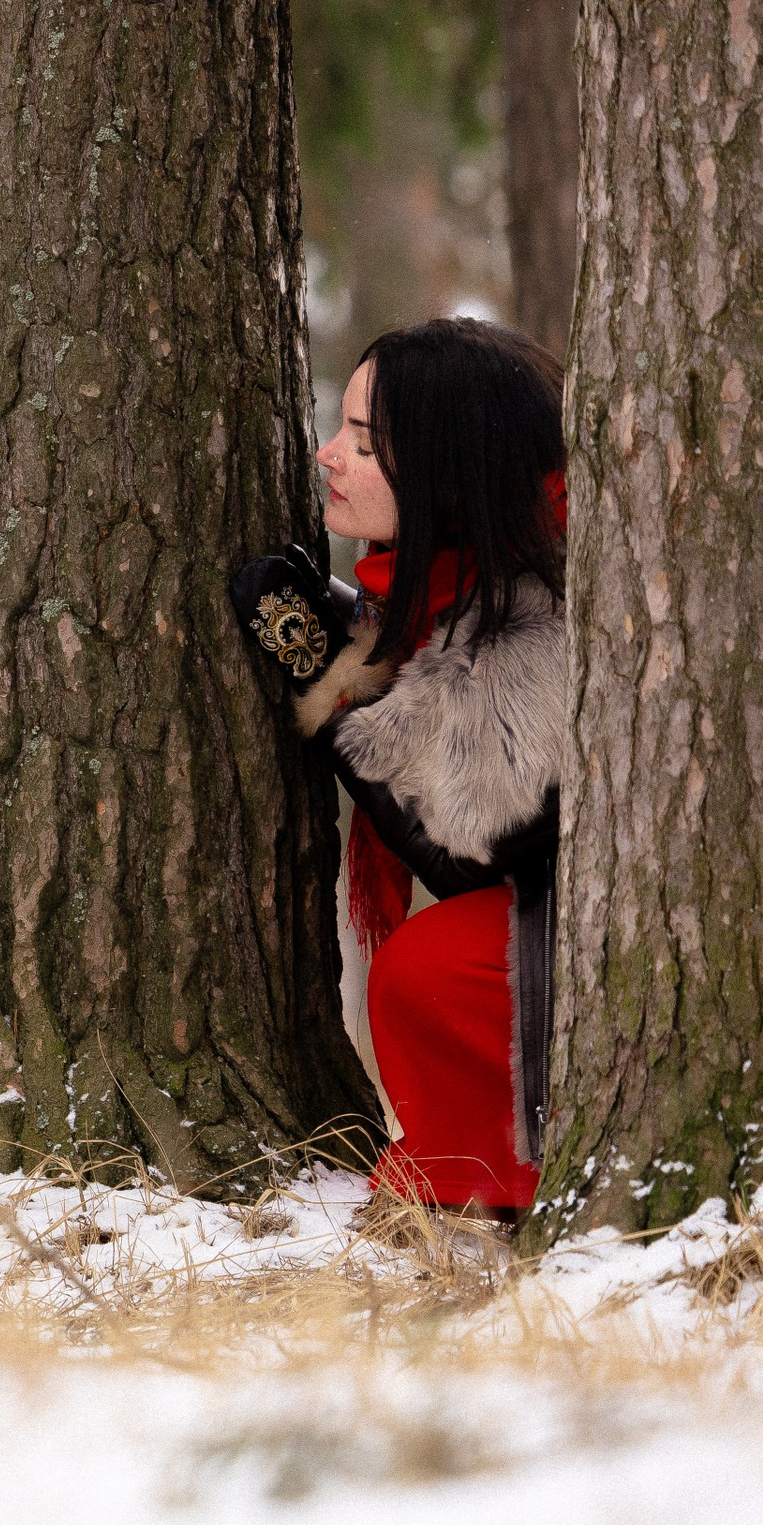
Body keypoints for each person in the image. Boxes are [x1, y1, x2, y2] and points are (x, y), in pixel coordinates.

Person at [232, 318, 566, 1215]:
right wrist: (337, 632)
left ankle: (502, 1184)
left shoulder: (540, 615)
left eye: (365, 444)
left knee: (432, 969)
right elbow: (426, 660)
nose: (326, 455)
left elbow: (469, 852)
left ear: (448, 472)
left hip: (590, 931)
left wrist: (324, 673)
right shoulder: (462, 575)